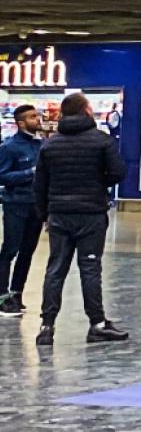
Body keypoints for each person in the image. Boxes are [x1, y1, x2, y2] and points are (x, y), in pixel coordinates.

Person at [34, 92, 129, 345]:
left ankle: (46, 326)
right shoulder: (102, 141)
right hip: (91, 216)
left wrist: (44, 214)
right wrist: (98, 185)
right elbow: (119, 172)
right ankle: (97, 324)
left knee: (55, 270)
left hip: (59, 216)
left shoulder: (50, 145)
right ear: (87, 111)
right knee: (89, 268)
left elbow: (39, 184)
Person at [0, 105, 46, 315]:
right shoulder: (9, 147)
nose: (38, 119)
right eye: (32, 117)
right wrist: (30, 172)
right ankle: (2, 296)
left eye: (37, 115)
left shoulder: (41, 145)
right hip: (15, 204)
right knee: (10, 250)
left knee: (27, 252)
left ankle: (17, 292)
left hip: (35, 205)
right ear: (20, 122)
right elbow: (3, 176)